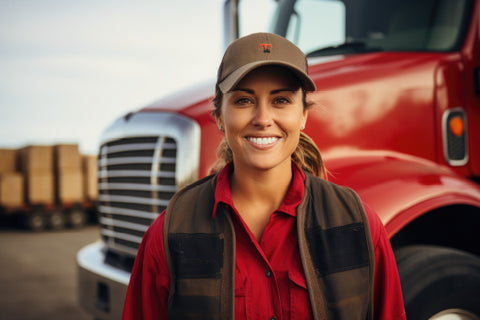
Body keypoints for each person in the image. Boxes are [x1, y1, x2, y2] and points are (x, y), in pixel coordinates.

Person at [122, 32, 406, 320]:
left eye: (281, 100)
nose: (263, 119)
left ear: (303, 115)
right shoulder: (169, 234)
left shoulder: (359, 225)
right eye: (244, 101)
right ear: (220, 115)